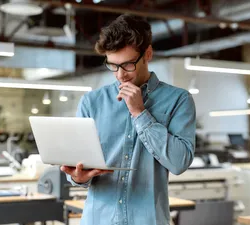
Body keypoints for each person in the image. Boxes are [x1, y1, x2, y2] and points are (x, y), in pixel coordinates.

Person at [60, 14, 196, 225]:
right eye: (113, 65)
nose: (120, 75)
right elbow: (79, 170)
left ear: (147, 54)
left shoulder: (178, 100)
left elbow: (179, 163)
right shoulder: (92, 102)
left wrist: (140, 113)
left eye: (127, 65)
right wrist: (78, 177)